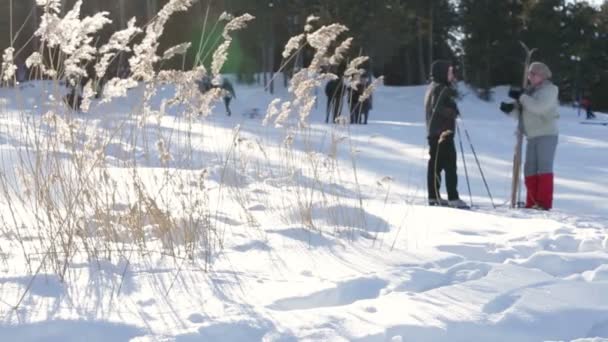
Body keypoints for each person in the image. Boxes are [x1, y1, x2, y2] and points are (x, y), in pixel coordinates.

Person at [500, 62, 559, 210]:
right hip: (532, 136)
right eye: (529, 74)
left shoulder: (550, 90)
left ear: (542, 75)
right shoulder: (530, 91)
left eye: (534, 74)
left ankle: (543, 203)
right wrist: (510, 109)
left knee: (543, 168)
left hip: (546, 134)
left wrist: (522, 97)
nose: (530, 77)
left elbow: (538, 107)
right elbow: (524, 113)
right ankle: (532, 201)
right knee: (530, 169)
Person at [424, 60, 468, 209]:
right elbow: (439, 108)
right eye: (449, 72)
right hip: (443, 132)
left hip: (433, 131)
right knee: (449, 165)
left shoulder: (433, 87)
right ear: (442, 73)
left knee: (436, 165)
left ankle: (433, 196)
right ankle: (453, 197)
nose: (452, 75)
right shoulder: (441, 88)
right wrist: (453, 111)